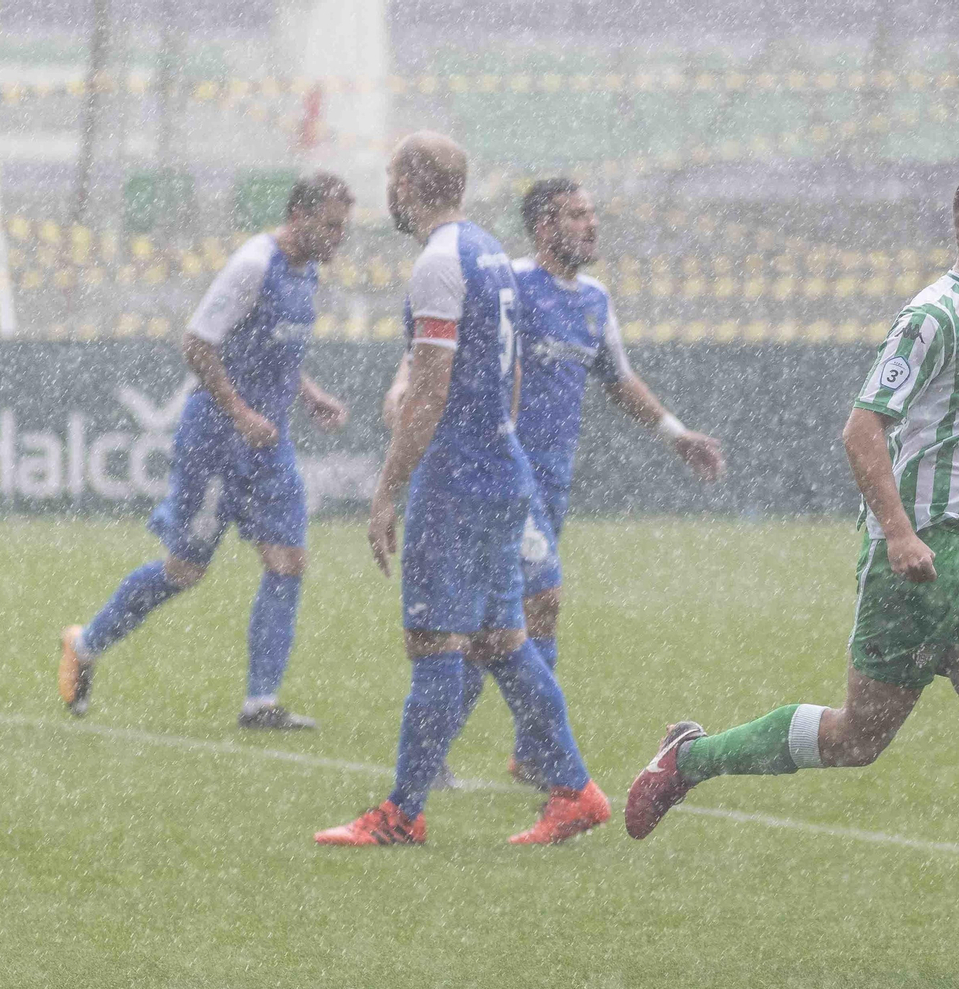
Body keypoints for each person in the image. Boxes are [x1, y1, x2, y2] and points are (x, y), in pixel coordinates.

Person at [626, 104, 959, 971]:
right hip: (918, 559)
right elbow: (861, 430)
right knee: (857, 740)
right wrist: (896, 533)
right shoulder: (933, 316)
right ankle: (690, 759)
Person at [384, 178, 725, 810]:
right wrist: (405, 387)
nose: (591, 225)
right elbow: (434, 345)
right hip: (498, 477)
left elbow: (619, 379)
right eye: (577, 214)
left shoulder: (594, 300)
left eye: (593, 213)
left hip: (549, 487)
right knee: (534, 607)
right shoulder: (509, 281)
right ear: (544, 225)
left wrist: (676, 435)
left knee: (496, 626)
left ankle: (461, 761)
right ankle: (545, 762)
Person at [316, 131, 608, 847]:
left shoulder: (440, 262)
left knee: (433, 641)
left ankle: (402, 813)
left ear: (410, 181)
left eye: (390, 175)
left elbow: (429, 387)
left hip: (458, 479)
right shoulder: (487, 253)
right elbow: (505, 378)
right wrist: (492, 438)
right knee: (503, 640)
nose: (386, 188)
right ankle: (573, 789)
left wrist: (388, 490)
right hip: (500, 469)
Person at [58, 172, 354, 729]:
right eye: (332, 226)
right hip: (217, 441)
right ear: (300, 216)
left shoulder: (307, 270)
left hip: (269, 444)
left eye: (344, 228)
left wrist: (310, 396)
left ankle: (260, 704)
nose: (341, 238)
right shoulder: (252, 265)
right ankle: (86, 644)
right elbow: (197, 342)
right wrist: (241, 414)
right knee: (185, 569)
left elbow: (276, 352)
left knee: (288, 561)